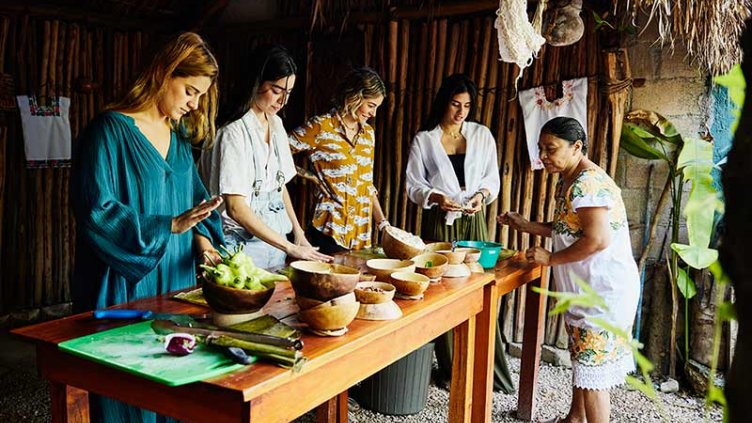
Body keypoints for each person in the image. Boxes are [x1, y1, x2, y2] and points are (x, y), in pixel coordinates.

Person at [70, 32, 224, 422]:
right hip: (125, 284)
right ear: (164, 73)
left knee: (174, 385)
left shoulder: (179, 139)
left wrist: (204, 243)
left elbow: (195, 202)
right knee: (128, 392)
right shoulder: (109, 131)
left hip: (175, 282)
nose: (195, 104)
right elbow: (95, 210)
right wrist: (167, 225)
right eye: (190, 90)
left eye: (200, 95)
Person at [498, 117, 639, 423]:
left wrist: (550, 259)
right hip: (589, 288)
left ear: (577, 147)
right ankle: (575, 419)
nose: (544, 156)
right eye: (541, 149)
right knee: (584, 364)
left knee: (593, 376)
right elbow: (569, 229)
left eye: (551, 148)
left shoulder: (588, 183)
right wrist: (526, 225)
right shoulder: (571, 179)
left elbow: (598, 239)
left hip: (603, 292)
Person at [405, 74, 513, 393]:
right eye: (455, 104)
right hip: (440, 223)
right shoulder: (424, 140)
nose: (461, 112)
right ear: (443, 102)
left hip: (473, 222)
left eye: (467, 105)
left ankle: (487, 367)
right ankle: (452, 368)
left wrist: (480, 196)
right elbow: (413, 186)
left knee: (478, 287)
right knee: (443, 290)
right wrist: (437, 197)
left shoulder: (482, 135)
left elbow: (491, 179)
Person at [200, 45, 331, 268]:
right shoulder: (232, 131)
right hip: (237, 247)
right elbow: (236, 208)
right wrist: (290, 247)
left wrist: (298, 235)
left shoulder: (276, 124)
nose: (283, 102)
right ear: (256, 82)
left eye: (288, 93)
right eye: (277, 90)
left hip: (273, 245)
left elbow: (279, 187)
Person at [289, 67, 388, 254]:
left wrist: (382, 223)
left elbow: (367, 184)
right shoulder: (320, 126)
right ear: (354, 97)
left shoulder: (368, 134)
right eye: (371, 105)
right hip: (329, 230)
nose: (373, 114)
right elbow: (275, 153)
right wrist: (310, 176)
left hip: (361, 235)